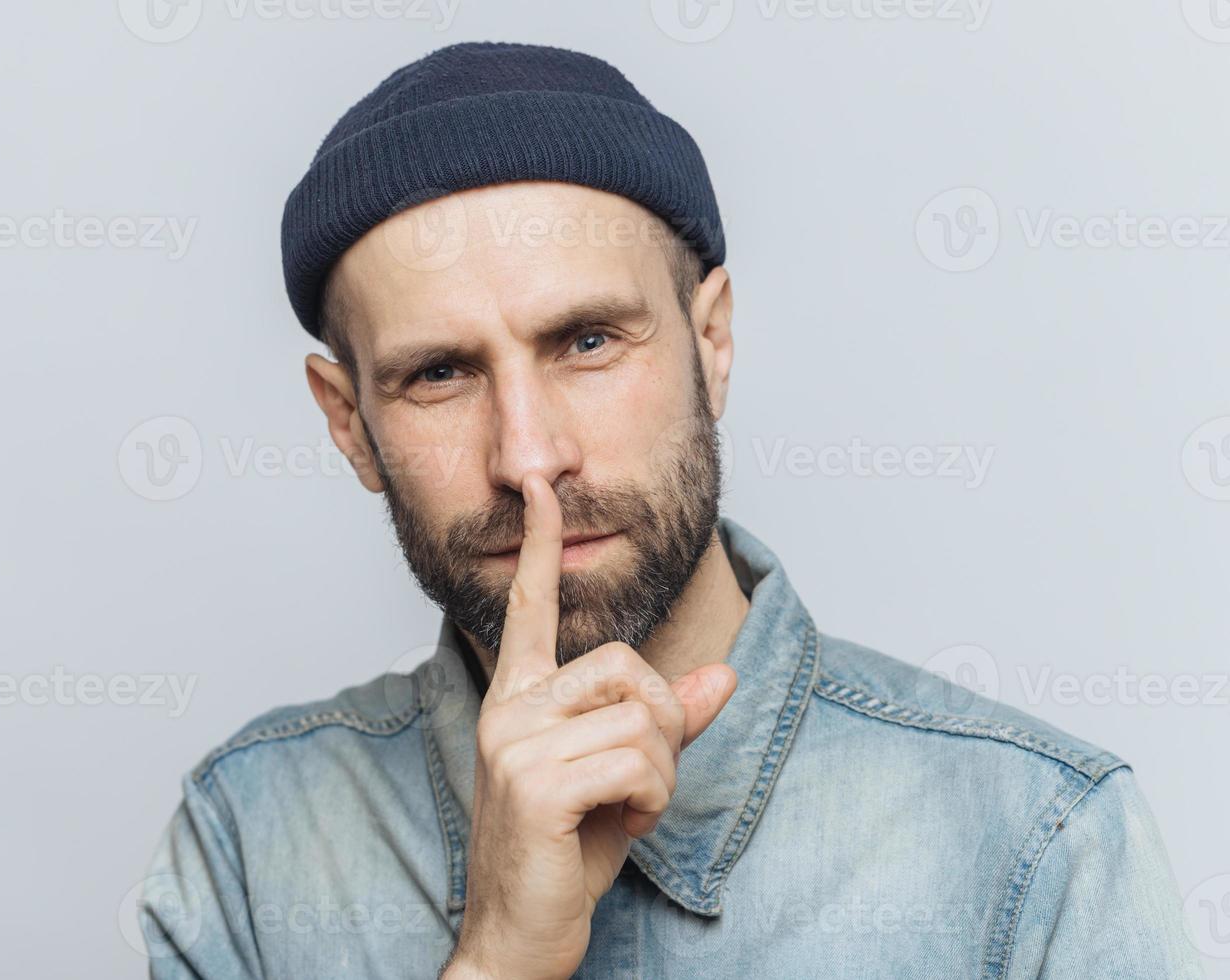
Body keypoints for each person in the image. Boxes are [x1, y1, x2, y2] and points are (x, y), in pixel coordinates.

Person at [138, 41, 1200, 978]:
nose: (530, 456)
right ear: (348, 423)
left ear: (713, 342)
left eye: (589, 340)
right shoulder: (251, 839)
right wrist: (500, 957)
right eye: (440, 373)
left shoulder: (1038, 840)